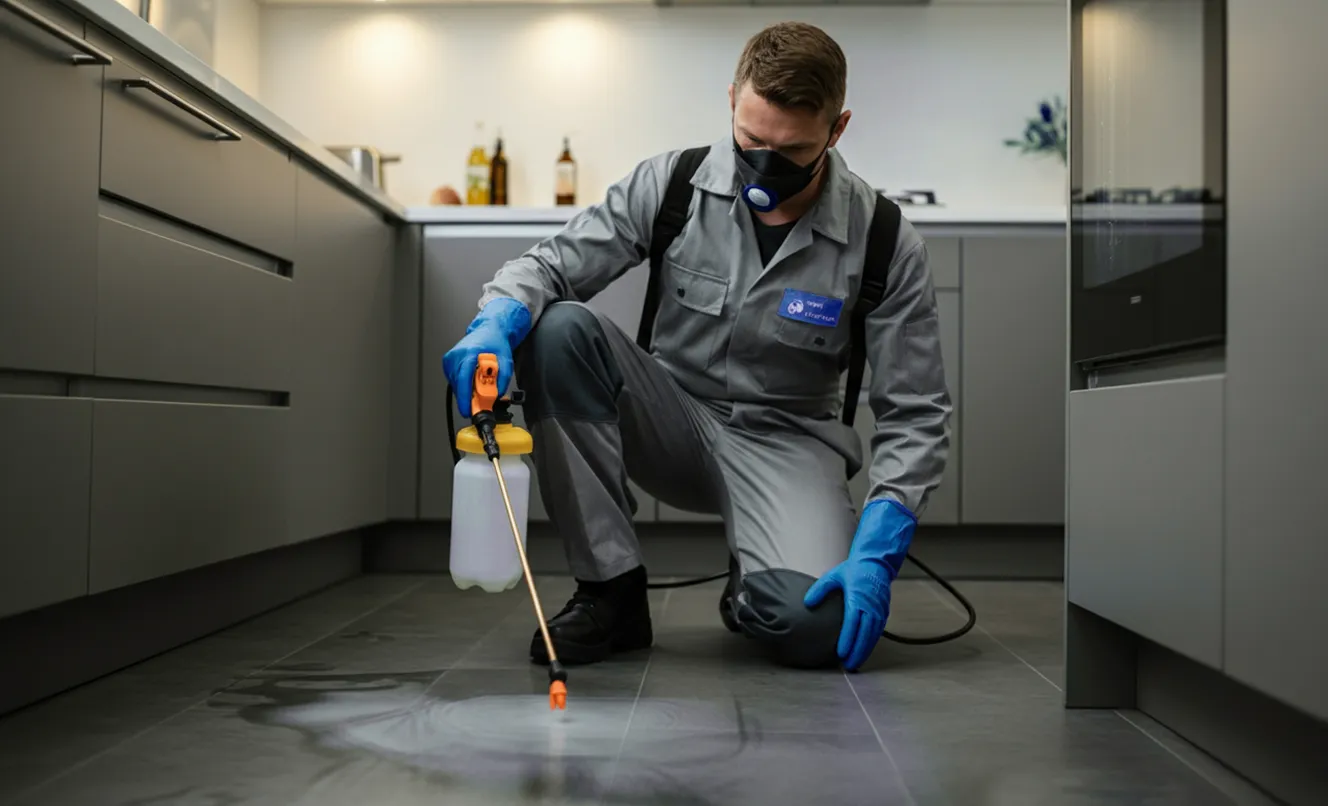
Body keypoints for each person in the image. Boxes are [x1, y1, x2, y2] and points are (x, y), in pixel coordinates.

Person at [443, 21, 951, 672]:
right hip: (669, 422)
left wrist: (879, 548)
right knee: (558, 327)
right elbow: (551, 266)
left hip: (788, 445)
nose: (764, 165)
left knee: (815, 628)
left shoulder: (882, 237)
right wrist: (496, 319)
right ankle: (611, 592)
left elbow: (917, 412)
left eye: (792, 150)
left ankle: (754, 586)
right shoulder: (672, 184)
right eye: (750, 140)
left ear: (838, 128)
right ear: (732, 98)